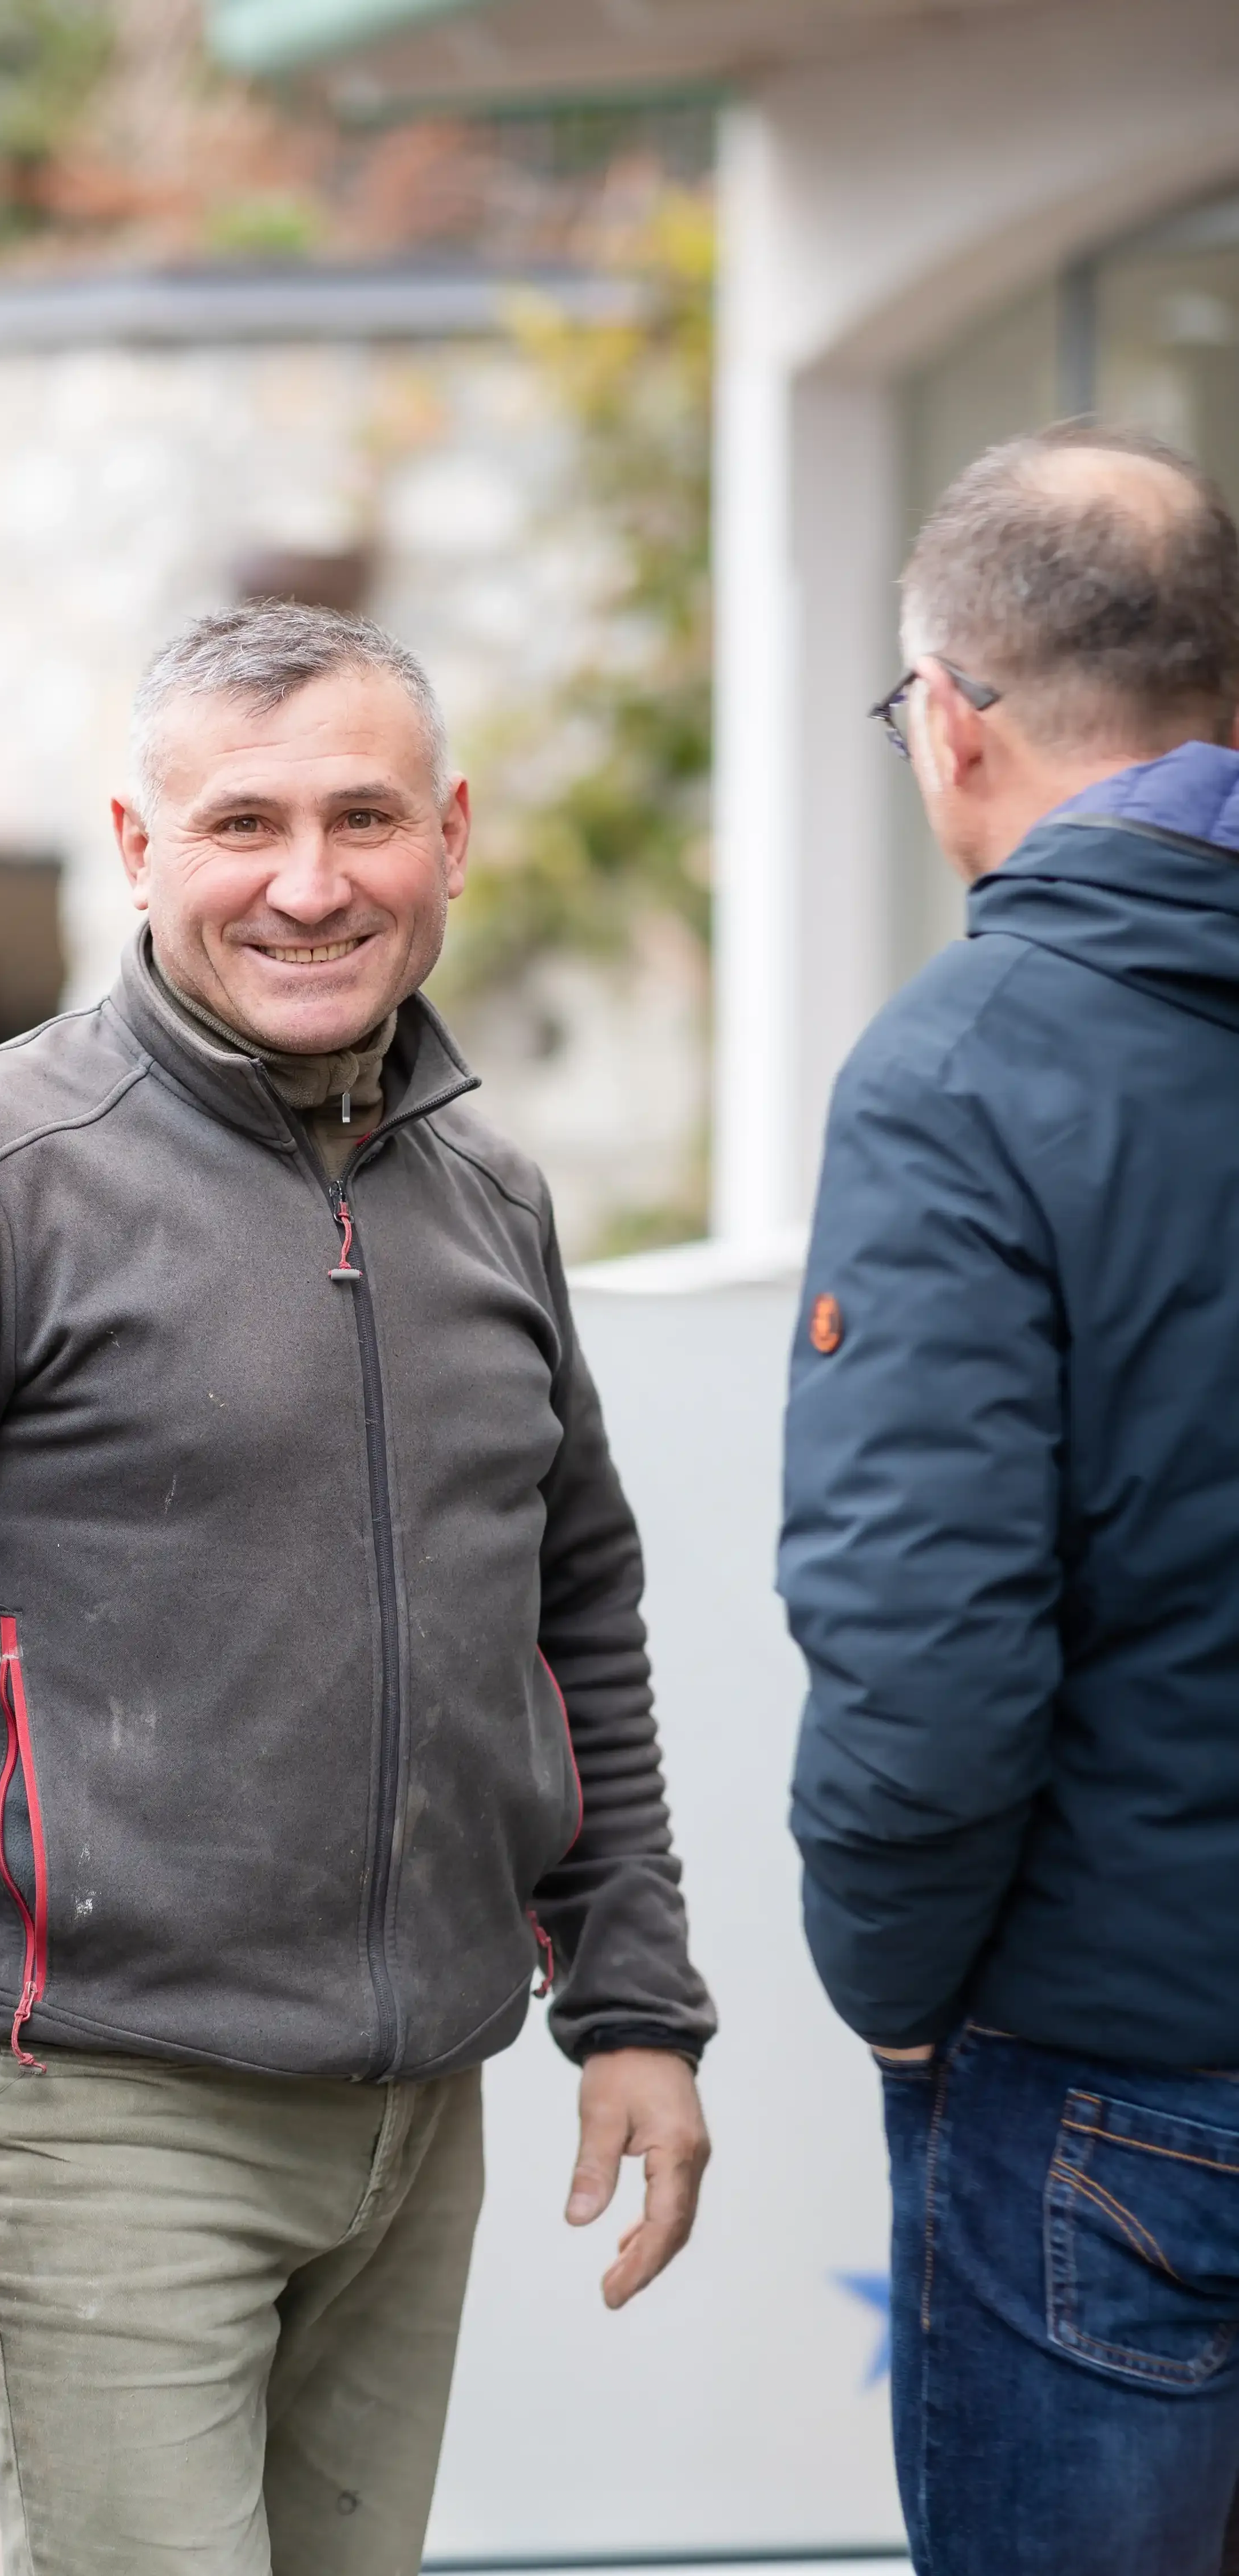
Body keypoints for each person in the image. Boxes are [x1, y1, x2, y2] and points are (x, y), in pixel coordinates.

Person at [0, 600, 714, 2576]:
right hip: (103, 2113)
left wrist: (639, 2003)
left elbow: (569, 1613)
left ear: (455, 832)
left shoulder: (485, 1187)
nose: (312, 883)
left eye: (367, 818)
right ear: (138, 845)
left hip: (422, 2113)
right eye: (244, 823)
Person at [779, 421, 1239, 2576]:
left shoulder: (965, 1068)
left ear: (950, 724)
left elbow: (930, 1650)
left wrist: (888, 1973)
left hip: (1105, 2067)